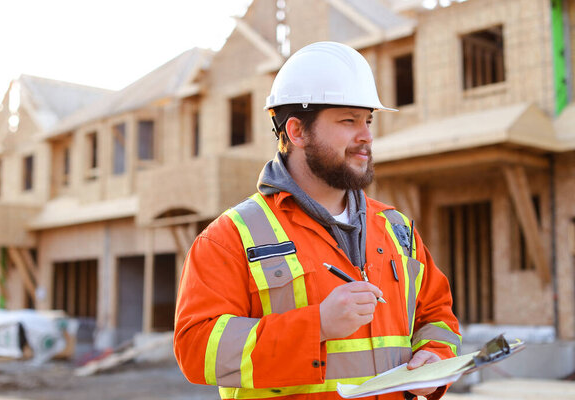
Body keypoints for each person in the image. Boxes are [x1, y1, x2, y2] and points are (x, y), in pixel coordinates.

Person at [174, 41, 461, 400]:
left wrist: (436, 358)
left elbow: (437, 315)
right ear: (296, 132)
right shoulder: (230, 238)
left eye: (367, 121)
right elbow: (196, 351)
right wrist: (317, 325)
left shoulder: (396, 228)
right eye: (348, 120)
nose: (366, 137)